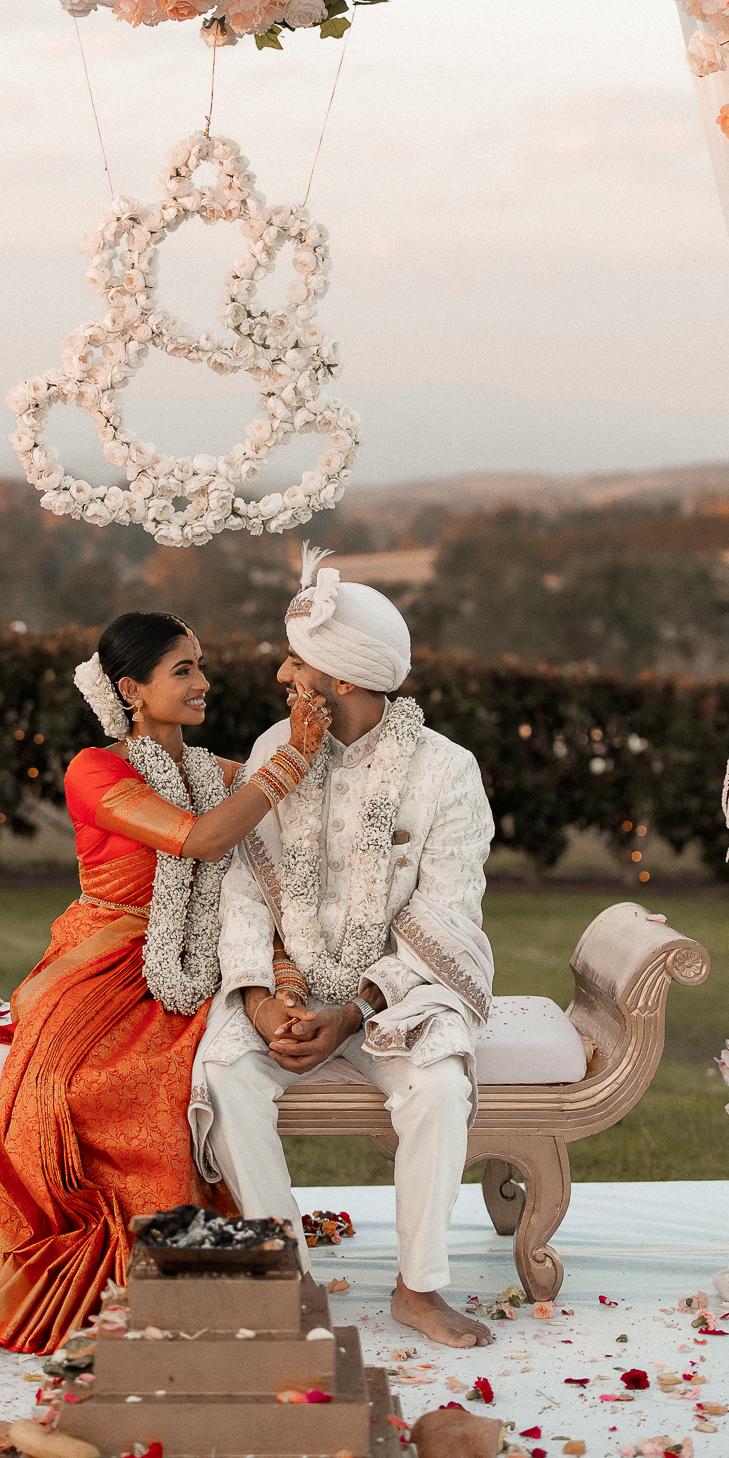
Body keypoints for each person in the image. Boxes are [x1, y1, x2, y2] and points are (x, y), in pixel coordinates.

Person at [0, 610, 328, 1354]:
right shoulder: (94, 770)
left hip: (200, 954)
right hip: (101, 958)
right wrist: (291, 759)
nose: (202, 683)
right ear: (131, 689)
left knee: (189, 1074)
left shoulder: (212, 772)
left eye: (201, 666)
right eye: (182, 670)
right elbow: (202, 838)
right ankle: (126, 1260)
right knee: (85, 1085)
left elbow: (271, 819)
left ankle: (191, 1260)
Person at [190, 549, 497, 1350]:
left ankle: (418, 1289)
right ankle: (284, 1280)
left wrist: (354, 1011)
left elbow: (446, 916)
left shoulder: (445, 772)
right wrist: (260, 999)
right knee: (224, 1076)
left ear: (344, 681)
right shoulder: (275, 749)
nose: (283, 675)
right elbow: (241, 889)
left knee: (437, 1084)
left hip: (395, 992)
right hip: (286, 985)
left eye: (298, 665)